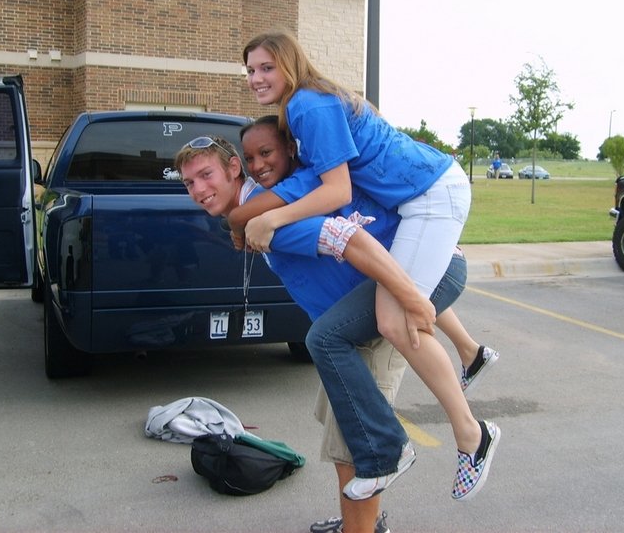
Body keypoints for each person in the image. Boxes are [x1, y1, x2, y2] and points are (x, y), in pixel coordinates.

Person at [175, 131, 495, 533]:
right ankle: (361, 522)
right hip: (364, 308)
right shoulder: (261, 210)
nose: (198, 190)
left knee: (355, 439)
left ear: (234, 168)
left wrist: (410, 297)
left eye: (206, 175)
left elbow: (350, 239)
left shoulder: (270, 218)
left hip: (379, 312)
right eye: (189, 182)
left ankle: (371, 517)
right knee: (343, 429)